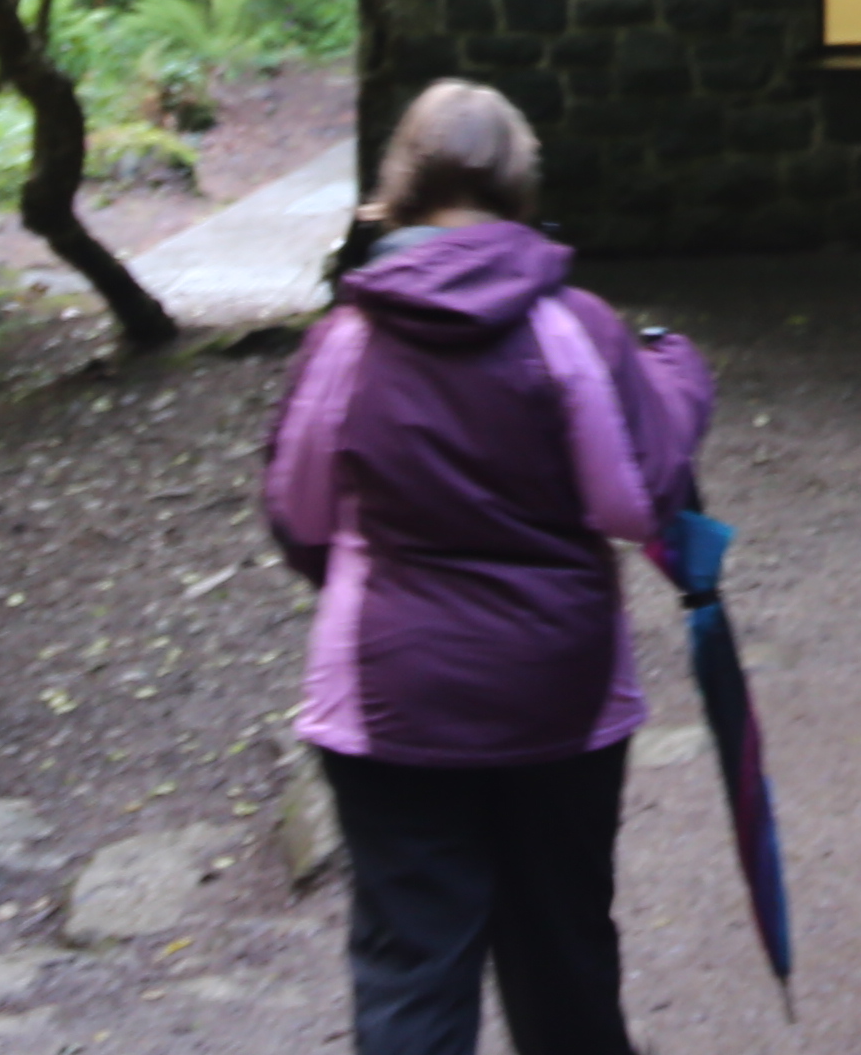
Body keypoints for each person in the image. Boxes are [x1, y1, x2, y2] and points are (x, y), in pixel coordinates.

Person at [261, 82, 714, 1055]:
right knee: (562, 958)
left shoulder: (344, 340)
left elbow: (299, 521)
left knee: (410, 971)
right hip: (560, 695)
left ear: (401, 186)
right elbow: (635, 503)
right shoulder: (572, 327)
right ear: (518, 187)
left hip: (387, 696)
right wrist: (677, 379)